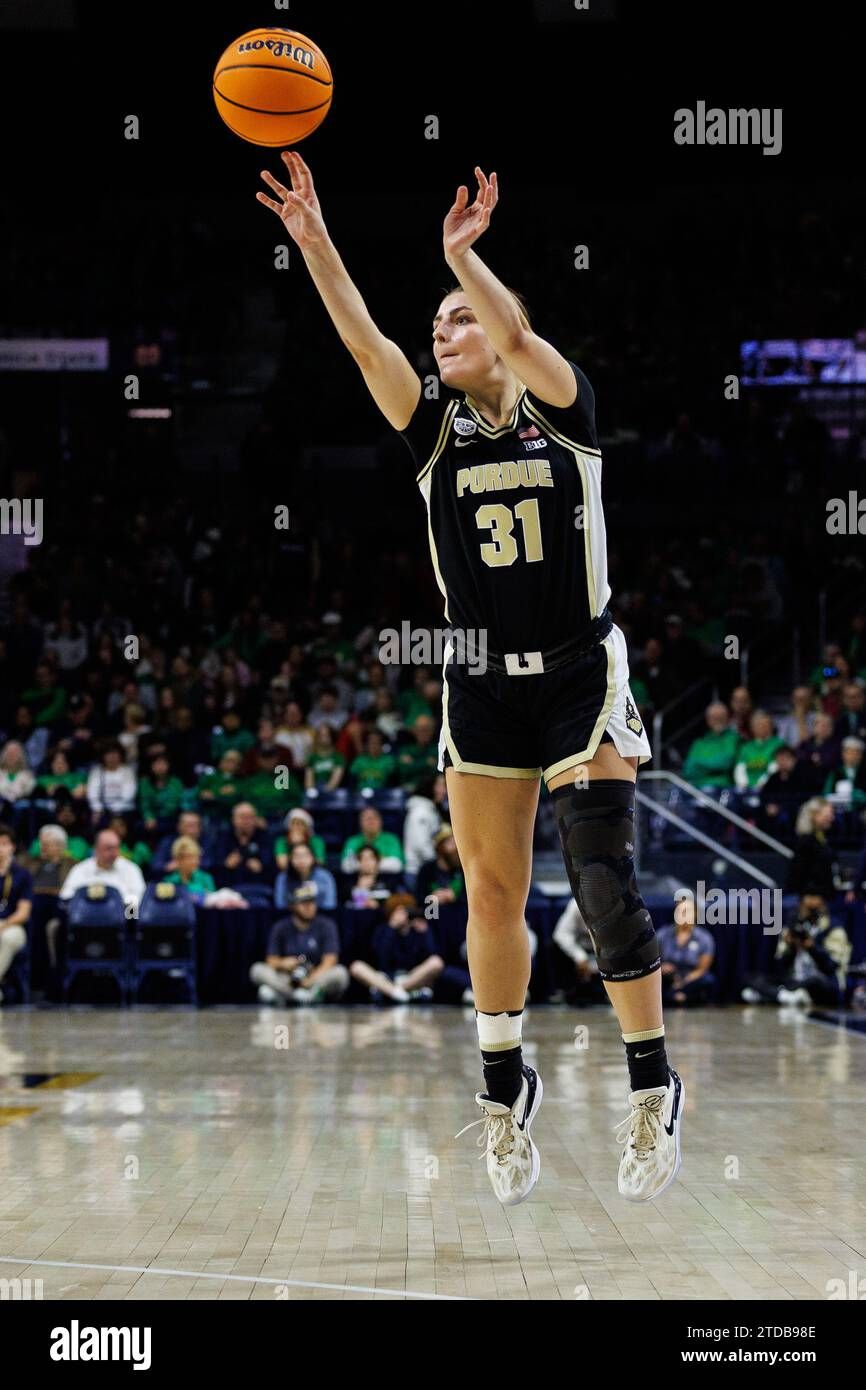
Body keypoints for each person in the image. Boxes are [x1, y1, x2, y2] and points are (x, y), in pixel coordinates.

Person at [257, 150, 683, 1206]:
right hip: (481, 679)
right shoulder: (431, 430)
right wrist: (315, 242)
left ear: (495, 329)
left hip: (580, 672)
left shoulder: (562, 407)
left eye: (455, 320)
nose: (440, 333)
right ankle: (502, 1096)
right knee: (490, 893)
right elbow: (360, 338)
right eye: (438, 322)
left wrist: (465, 259)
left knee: (596, 883)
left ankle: (650, 1086)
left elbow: (525, 338)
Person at [249, 882, 349, 1006]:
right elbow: (271, 960)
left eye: (312, 902)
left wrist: (311, 979)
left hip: (315, 977)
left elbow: (330, 960)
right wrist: (284, 963)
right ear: (293, 906)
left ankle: (293, 995)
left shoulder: (327, 925)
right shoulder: (280, 927)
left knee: (340, 973)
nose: (309, 907)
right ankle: (297, 996)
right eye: (303, 903)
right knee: (257, 970)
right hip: (287, 978)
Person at [741, 895, 845, 1007]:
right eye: (803, 908)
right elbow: (780, 966)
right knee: (751, 977)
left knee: (815, 981)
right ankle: (785, 996)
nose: (805, 912)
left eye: (811, 909)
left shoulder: (832, 928)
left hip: (819, 981)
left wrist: (812, 948)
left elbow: (833, 966)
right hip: (794, 981)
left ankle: (774, 995)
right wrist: (791, 947)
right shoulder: (793, 927)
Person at [349, 893, 444, 1002]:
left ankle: (394, 991)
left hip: (412, 976)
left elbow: (430, 954)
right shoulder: (383, 929)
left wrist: (425, 933)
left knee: (436, 962)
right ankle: (396, 992)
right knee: (356, 967)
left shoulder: (418, 930)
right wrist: (392, 928)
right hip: (386, 977)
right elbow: (381, 958)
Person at [60, 827, 146, 913]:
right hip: (86, 919)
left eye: (116, 848)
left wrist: (128, 921)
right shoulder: (80, 869)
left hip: (121, 920)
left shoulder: (131, 869)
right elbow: (66, 896)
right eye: (108, 849)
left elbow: (140, 898)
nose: (114, 853)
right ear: (96, 849)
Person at [657, 898, 716, 1005]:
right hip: (668, 977)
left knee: (708, 980)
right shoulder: (662, 934)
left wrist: (683, 982)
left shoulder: (704, 938)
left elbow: (702, 969)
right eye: (680, 911)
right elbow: (652, 961)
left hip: (691, 977)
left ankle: (676, 996)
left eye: (687, 912)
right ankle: (675, 996)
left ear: (695, 914)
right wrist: (662, 967)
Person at [0, 823, 32, 1004]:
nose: (0, 849)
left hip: (12, 925)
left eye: (4, 844)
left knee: (9, 938)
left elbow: (24, 913)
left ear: (12, 847)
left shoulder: (22, 875)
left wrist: (4, 925)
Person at [785, 798, 840, 901]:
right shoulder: (806, 842)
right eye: (828, 815)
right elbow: (797, 875)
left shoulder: (822, 838)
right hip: (811, 902)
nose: (832, 818)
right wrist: (808, 896)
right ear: (815, 815)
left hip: (824, 899)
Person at [215, 801, 274, 887]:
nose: (246, 821)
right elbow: (214, 869)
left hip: (258, 889)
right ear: (233, 819)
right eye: (242, 817)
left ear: (255, 820)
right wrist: (226, 866)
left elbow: (272, 870)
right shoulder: (222, 838)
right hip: (229, 889)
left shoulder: (265, 838)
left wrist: (261, 868)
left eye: (250, 817)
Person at [403, 772, 448, 881]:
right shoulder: (420, 811)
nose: (444, 791)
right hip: (417, 872)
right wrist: (437, 862)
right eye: (440, 785)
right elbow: (421, 844)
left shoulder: (431, 809)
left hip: (427, 869)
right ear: (429, 786)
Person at [340, 806, 404, 874]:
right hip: (357, 880)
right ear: (360, 822)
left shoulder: (391, 839)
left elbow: (396, 865)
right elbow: (346, 866)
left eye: (374, 818)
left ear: (381, 821)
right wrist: (380, 859)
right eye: (367, 818)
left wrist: (362, 861)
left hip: (387, 880)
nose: (371, 821)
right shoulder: (352, 841)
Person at [277, 841, 337, 912]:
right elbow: (280, 905)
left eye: (305, 855)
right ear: (290, 859)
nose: (301, 860)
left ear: (313, 858)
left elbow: (330, 904)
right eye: (296, 856)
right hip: (291, 917)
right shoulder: (283, 877)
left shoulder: (325, 876)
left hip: (321, 916)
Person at [86, 742, 137, 821]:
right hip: (101, 810)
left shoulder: (127, 771)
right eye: (109, 754)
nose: (112, 757)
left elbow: (128, 795)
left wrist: (112, 810)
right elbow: (92, 794)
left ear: (120, 755)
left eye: (115, 753)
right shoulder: (96, 772)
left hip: (124, 809)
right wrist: (98, 808)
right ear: (103, 756)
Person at [162, 836, 216, 903]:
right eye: (189, 857)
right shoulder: (168, 882)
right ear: (178, 859)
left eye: (196, 857)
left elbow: (213, 902)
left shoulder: (206, 879)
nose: (195, 861)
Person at [274, 807, 327, 872]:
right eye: (293, 823)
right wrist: (294, 845)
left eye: (300, 824)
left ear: (307, 828)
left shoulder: (316, 841)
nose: (296, 827)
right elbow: (282, 865)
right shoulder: (282, 841)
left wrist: (302, 844)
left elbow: (320, 863)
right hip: (290, 876)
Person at [344, 844, 392, 908]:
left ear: (378, 861)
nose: (366, 861)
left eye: (371, 858)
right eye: (362, 858)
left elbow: (390, 906)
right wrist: (360, 888)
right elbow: (345, 905)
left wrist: (377, 906)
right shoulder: (349, 882)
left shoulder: (387, 882)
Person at [304, 722, 346, 791]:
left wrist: (324, 793)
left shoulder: (338, 758)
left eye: (326, 735)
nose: (323, 738)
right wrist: (312, 792)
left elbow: (334, 782)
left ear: (332, 737)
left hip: (332, 792)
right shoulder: (312, 758)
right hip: (315, 791)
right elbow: (309, 781)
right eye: (320, 735)